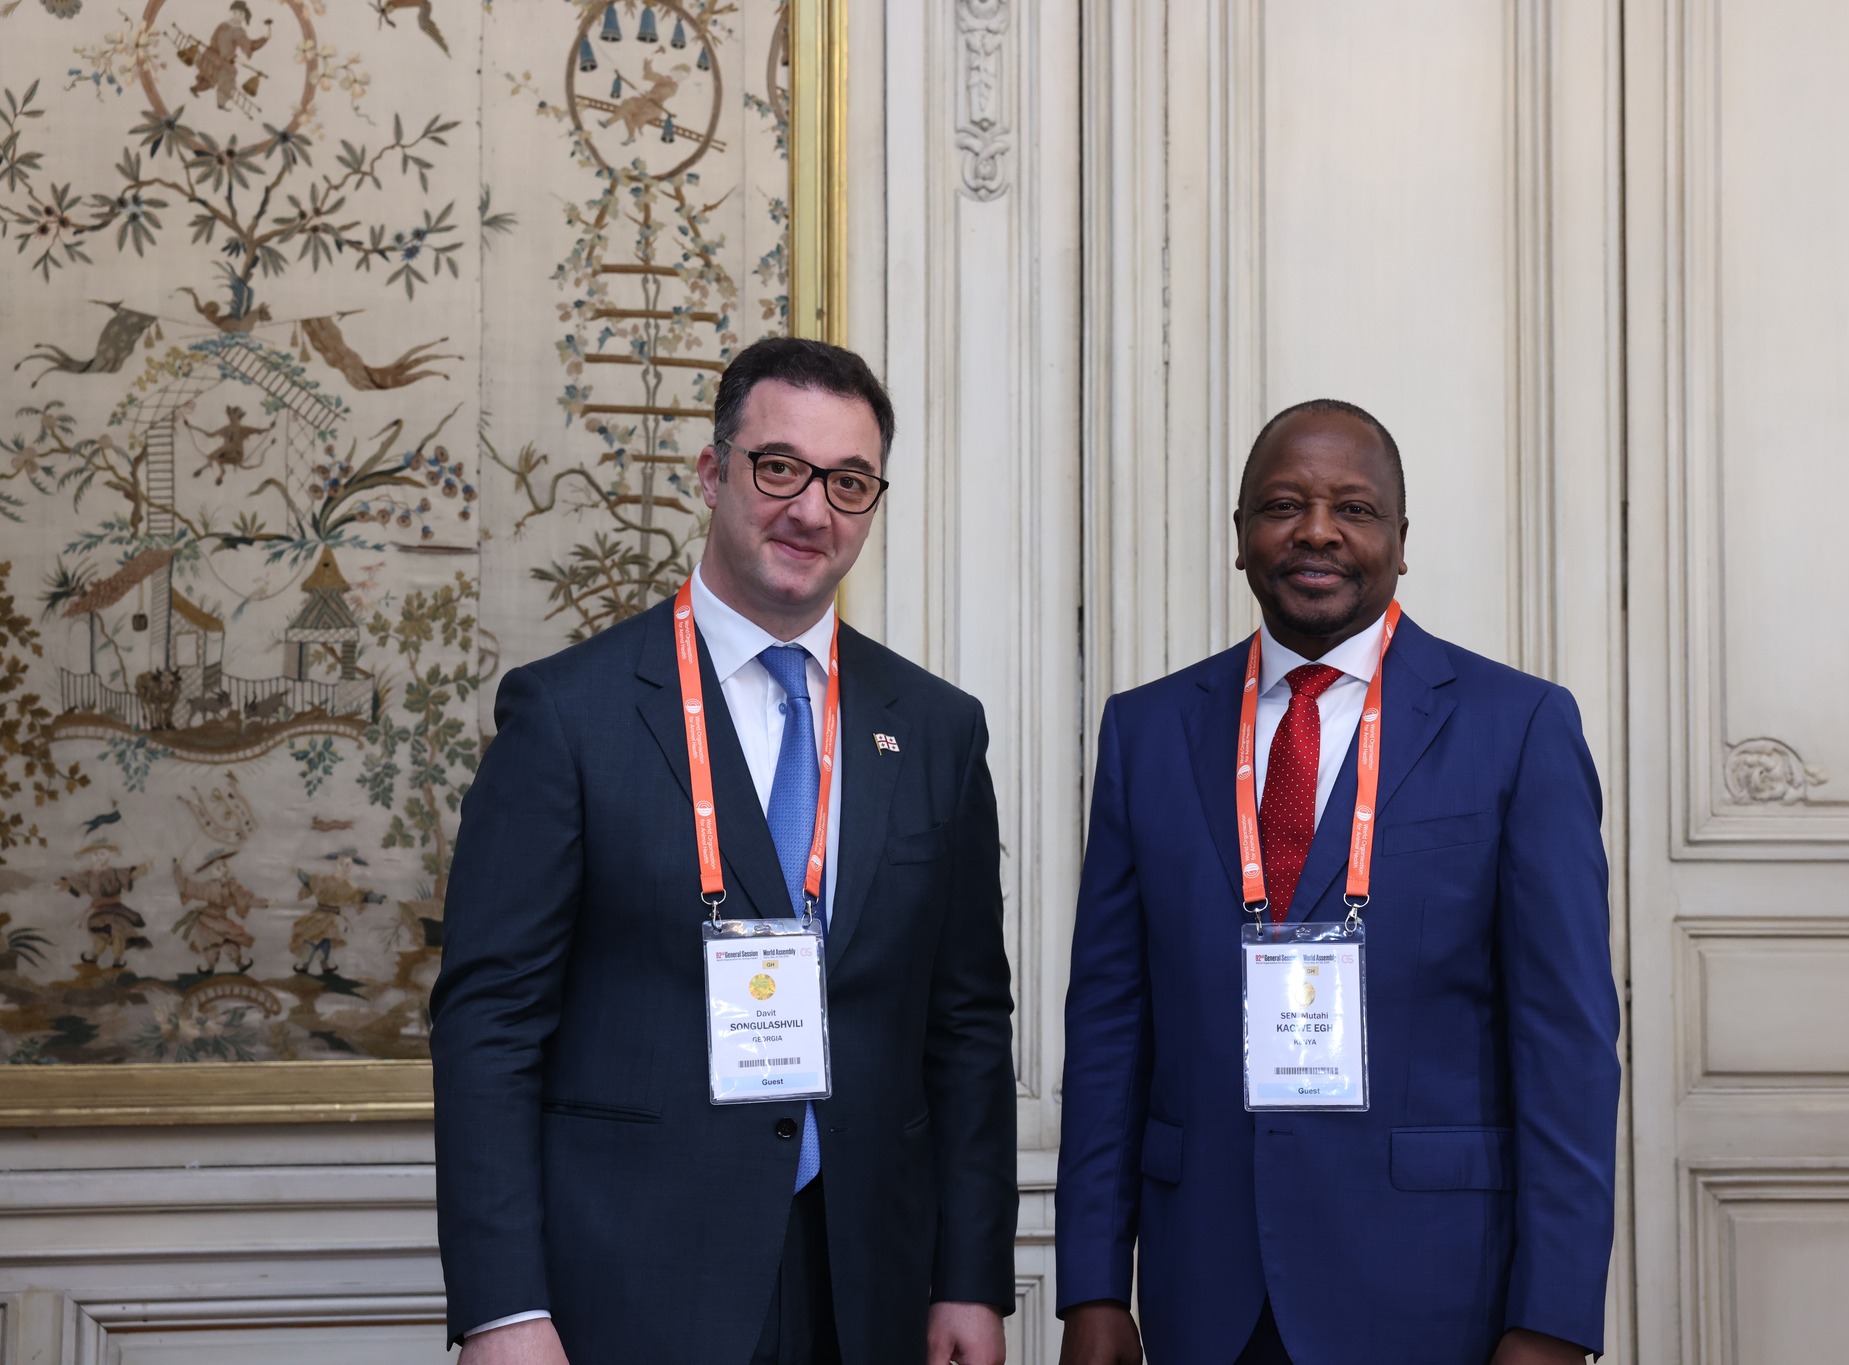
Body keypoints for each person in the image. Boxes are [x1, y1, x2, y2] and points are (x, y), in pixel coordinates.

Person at [433, 337, 1016, 1365]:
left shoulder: (934, 728)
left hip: (868, 1285)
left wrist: (970, 1276)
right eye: (779, 467)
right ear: (712, 473)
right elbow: (490, 1026)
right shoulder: (567, 716)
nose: (812, 510)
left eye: (848, 483)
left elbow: (965, 1023)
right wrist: (502, 1307)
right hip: (632, 1283)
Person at [1055, 400, 1620, 1365]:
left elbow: (1567, 1047)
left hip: (1435, 1292)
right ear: (1241, 535)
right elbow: (1110, 1026)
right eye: (1284, 505)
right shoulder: (1146, 732)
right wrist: (1095, 1285)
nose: (1317, 531)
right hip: (1208, 1292)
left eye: (1354, 508)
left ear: (1401, 540)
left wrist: (1554, 1318)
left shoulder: (1518, 727)